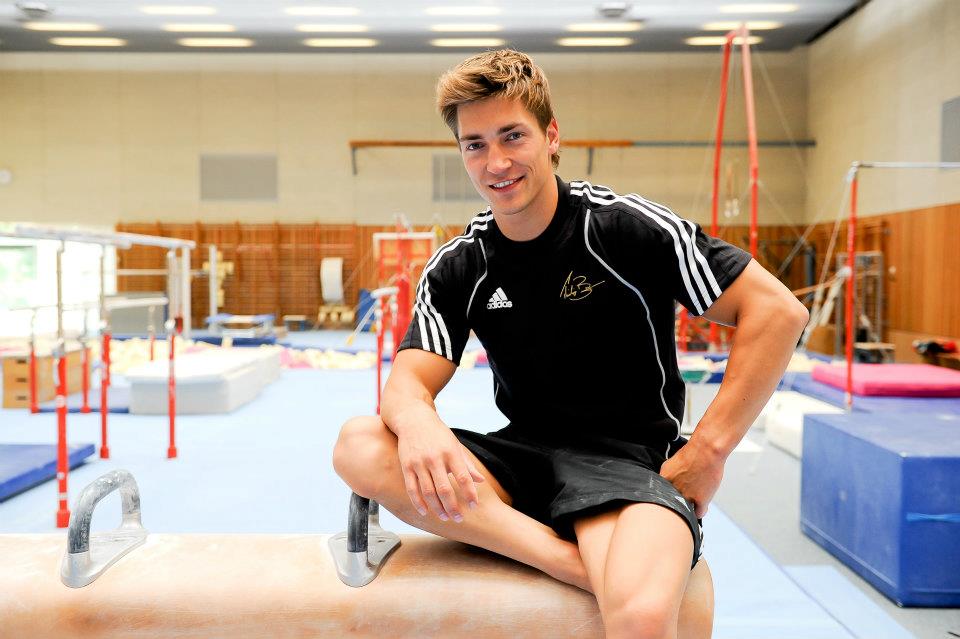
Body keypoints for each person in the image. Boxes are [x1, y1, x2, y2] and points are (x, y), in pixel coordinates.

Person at [334, 49, 809, 639]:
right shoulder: (460, 265)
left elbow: (777, 311)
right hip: (519, 462)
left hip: (625, 467)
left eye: (513, 136)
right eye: (475, 145)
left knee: (639, 618)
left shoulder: (624, 228)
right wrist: (420, 423)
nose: (496, 162)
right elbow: (406, 384)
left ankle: (601, 563)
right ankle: (568, 563)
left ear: (551, 135)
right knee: (360, 445)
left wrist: (708, 452)